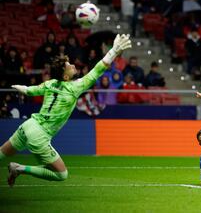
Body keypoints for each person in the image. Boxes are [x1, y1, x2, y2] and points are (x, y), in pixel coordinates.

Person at [0, 34, 132, 187]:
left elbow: (31, 91)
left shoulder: (50, 84)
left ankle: (18, 168)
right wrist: (114, 51)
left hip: (28, 125)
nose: (73, 66)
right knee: (61, 174)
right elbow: (98, 69)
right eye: (70, 66)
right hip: (39, 135)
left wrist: (21, 88)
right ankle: (20, 169)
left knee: (2, 152)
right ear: (65, 76)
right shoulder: (74, 88)